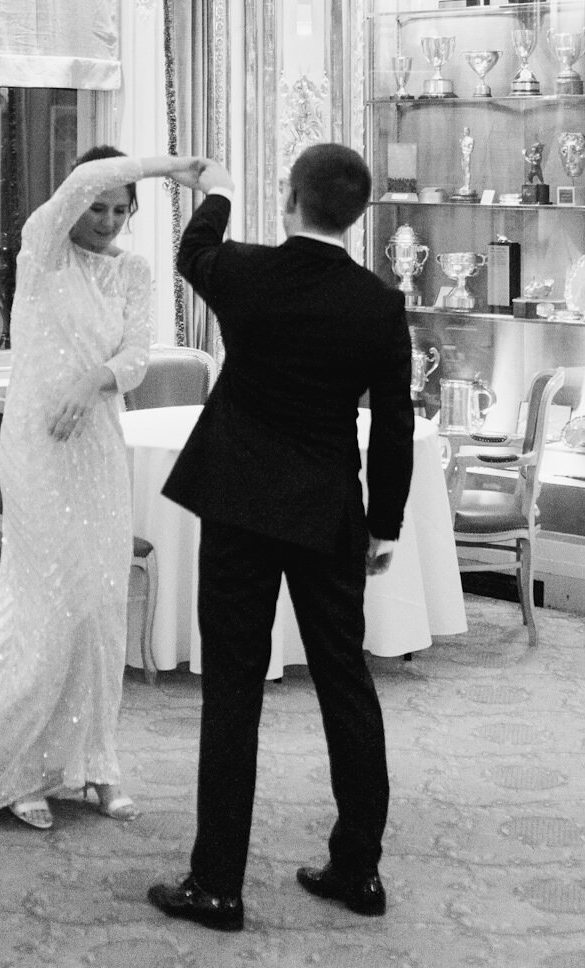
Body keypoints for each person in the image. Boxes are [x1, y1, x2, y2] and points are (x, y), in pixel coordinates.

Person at [148, 142, 415, 933]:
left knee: (233, 688)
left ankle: (216, 883)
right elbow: (393, 425)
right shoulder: (377, 303)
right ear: (358, 213)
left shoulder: (250, 273)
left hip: (238, 505)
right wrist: (385, 523)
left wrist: (220, 190)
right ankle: (358, 870)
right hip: (329, 510)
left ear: (290, 197)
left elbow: (191, 251)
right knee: (345, 682)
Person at [0, 145, 205, 830]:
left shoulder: (134, 272)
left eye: (119, 209)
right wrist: (165, 167)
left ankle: (97, 765)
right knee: (47, 610)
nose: (107, 217)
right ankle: (16, 769)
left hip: (99, 447)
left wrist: (94, 382)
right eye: (97, 206)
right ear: (72, 206)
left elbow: (135, 357)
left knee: (100, 608)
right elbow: (82, 177)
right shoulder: (40, 254)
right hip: (39, 449)